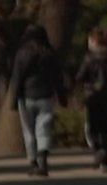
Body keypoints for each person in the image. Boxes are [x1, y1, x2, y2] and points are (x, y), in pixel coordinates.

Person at [10, 24, 67, 177]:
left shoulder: (22, 53)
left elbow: (17, 78)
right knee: (44, 128)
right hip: (46, 96)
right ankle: (43, 160)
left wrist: (14, 99)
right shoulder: (49, 53)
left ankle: (33, 162)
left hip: (26, 97)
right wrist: (62, 97)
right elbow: (58, 78)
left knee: (29, 131)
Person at [75, 28, 107, 173]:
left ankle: (98, 151)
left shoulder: (89, 59)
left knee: (93, 127)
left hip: (94, 97)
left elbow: (80, 77)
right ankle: (105, 158)